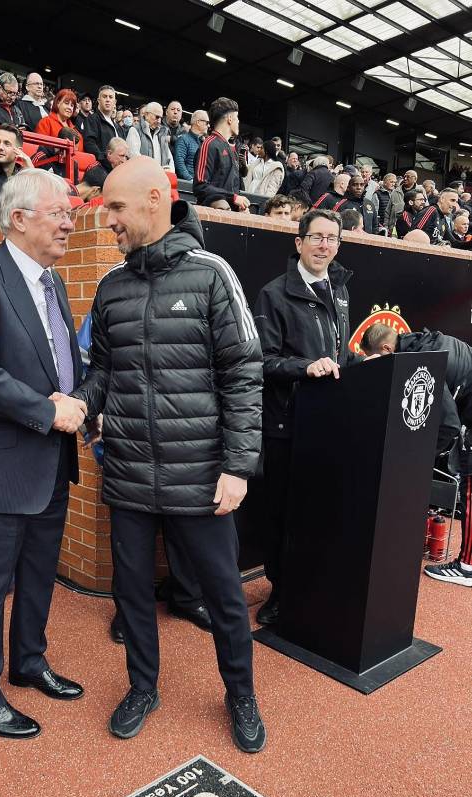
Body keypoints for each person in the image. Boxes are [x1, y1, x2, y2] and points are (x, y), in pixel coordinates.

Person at [72, 156, 266, 753]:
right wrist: (77, 406)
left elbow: (243, 372)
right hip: (129, 473)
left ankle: (241, 696)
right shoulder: (110, 286)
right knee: (132, 596)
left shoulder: (212, 275)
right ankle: (142, 687)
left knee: (225, 599)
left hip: (200, 476)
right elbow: (101, 369)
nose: (108, 221)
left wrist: (237, 466)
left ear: (156, 199)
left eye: (116, 208)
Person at [0, 169, 86, 739]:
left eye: (71, 214)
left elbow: (59, 364)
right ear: (20, 217)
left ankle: (28, 663)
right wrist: (48, 410)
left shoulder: (53, 282)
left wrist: (75, 399)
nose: (70, 223)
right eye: (60, 213)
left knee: (37, 576)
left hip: (50, 462)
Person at [253, 210, 357, 626]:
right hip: (285, 423)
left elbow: (340, 349)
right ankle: (279, 590)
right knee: (281, 514)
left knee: (318, 511)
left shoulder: (341, 289)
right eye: (316, 237)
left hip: (327, 424)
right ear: (299, 243)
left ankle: (310, 585)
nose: (324, 245)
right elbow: (260, 361)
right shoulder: (273, 294)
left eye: (332, 238)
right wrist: (305, 367)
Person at [360, 322, 472, 587]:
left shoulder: (422, 358)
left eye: (376, 359)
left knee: (470, 486)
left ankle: (467, 566)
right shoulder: (422, 341)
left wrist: (421, 459)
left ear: (387, 348)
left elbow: (448, 424)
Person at [193, 97, 249, 212]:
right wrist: (233, 198)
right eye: (237, 117)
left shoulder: (231, 148)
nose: (238, 121)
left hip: (230, 216)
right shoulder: (209, 144)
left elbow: (232, 190)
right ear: (229, 119)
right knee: (222, 204)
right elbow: (200, 186)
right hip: (213, 218)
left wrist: (238, 207)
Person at [33, 88, 84, 175]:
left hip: (70, 171)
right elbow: (38, 150)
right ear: (58, 103)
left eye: (72, 106)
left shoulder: (77, 132)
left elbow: (79, 157)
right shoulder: (45, 122)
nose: (69, 108)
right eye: (66, 103)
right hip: (47, 170)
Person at [126, 101, 174, 172]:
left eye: (161, 117)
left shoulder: (162, 134)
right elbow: (133, 156)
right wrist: (152, 171)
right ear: (147, 115)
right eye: (157, 117)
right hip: (141, 177)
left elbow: (169, 158)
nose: (159, 121)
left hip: (159, 178)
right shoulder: (134, 130)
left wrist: (170, 171)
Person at [83, 85, 124, 160]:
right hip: (103, 168)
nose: (108, 100)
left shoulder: (119, 128)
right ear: (99, 101)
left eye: (110, 97)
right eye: (104, 97)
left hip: (120, 169)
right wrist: (106, 159)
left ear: (114, 102)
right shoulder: (92, 119)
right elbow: (89, 144)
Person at [174, 109, 208, 181]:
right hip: (188, 187)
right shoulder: (183, 139)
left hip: (201, 186)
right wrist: (190, 180)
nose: (209, 125)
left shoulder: (204, 142)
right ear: (198, 122)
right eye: (207, 122)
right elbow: (179, 163)